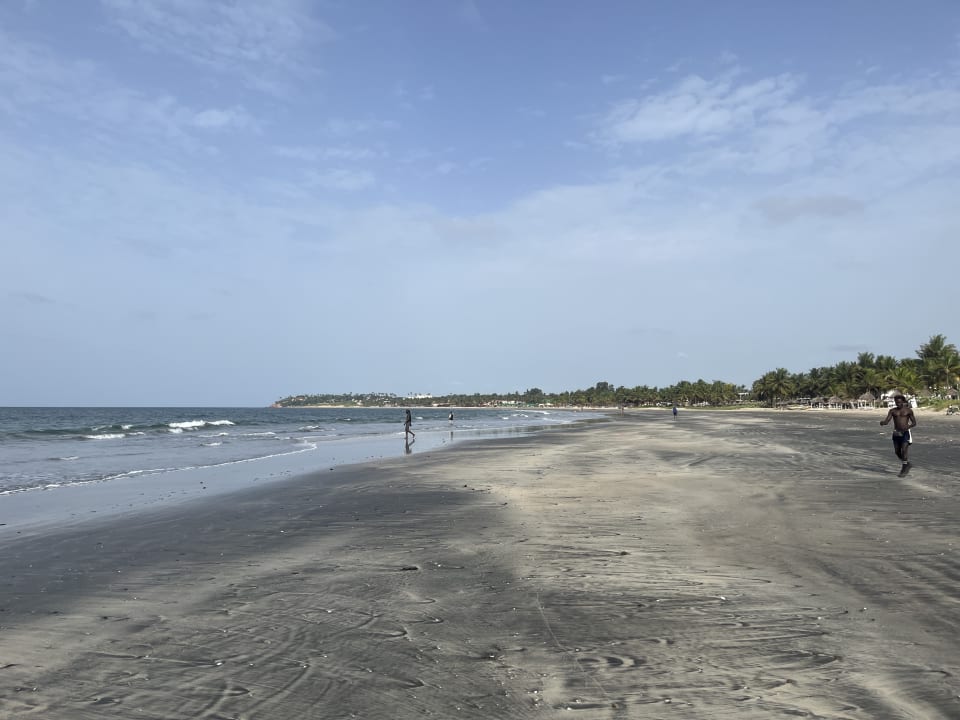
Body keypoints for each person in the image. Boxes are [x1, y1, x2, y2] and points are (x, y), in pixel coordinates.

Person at [880, 394, 917, 476]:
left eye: (900, 402)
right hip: (896, 433)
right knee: (897, 452)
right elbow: (887, 421)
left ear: (903, 402)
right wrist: (883, 423)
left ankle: (904, 468)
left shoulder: (908, 411)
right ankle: (906, 463)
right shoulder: (892, 411)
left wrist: (909, 426)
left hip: (905, 433)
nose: (898, 404)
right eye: (896, 402)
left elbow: (914, 423)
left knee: (904, 450)